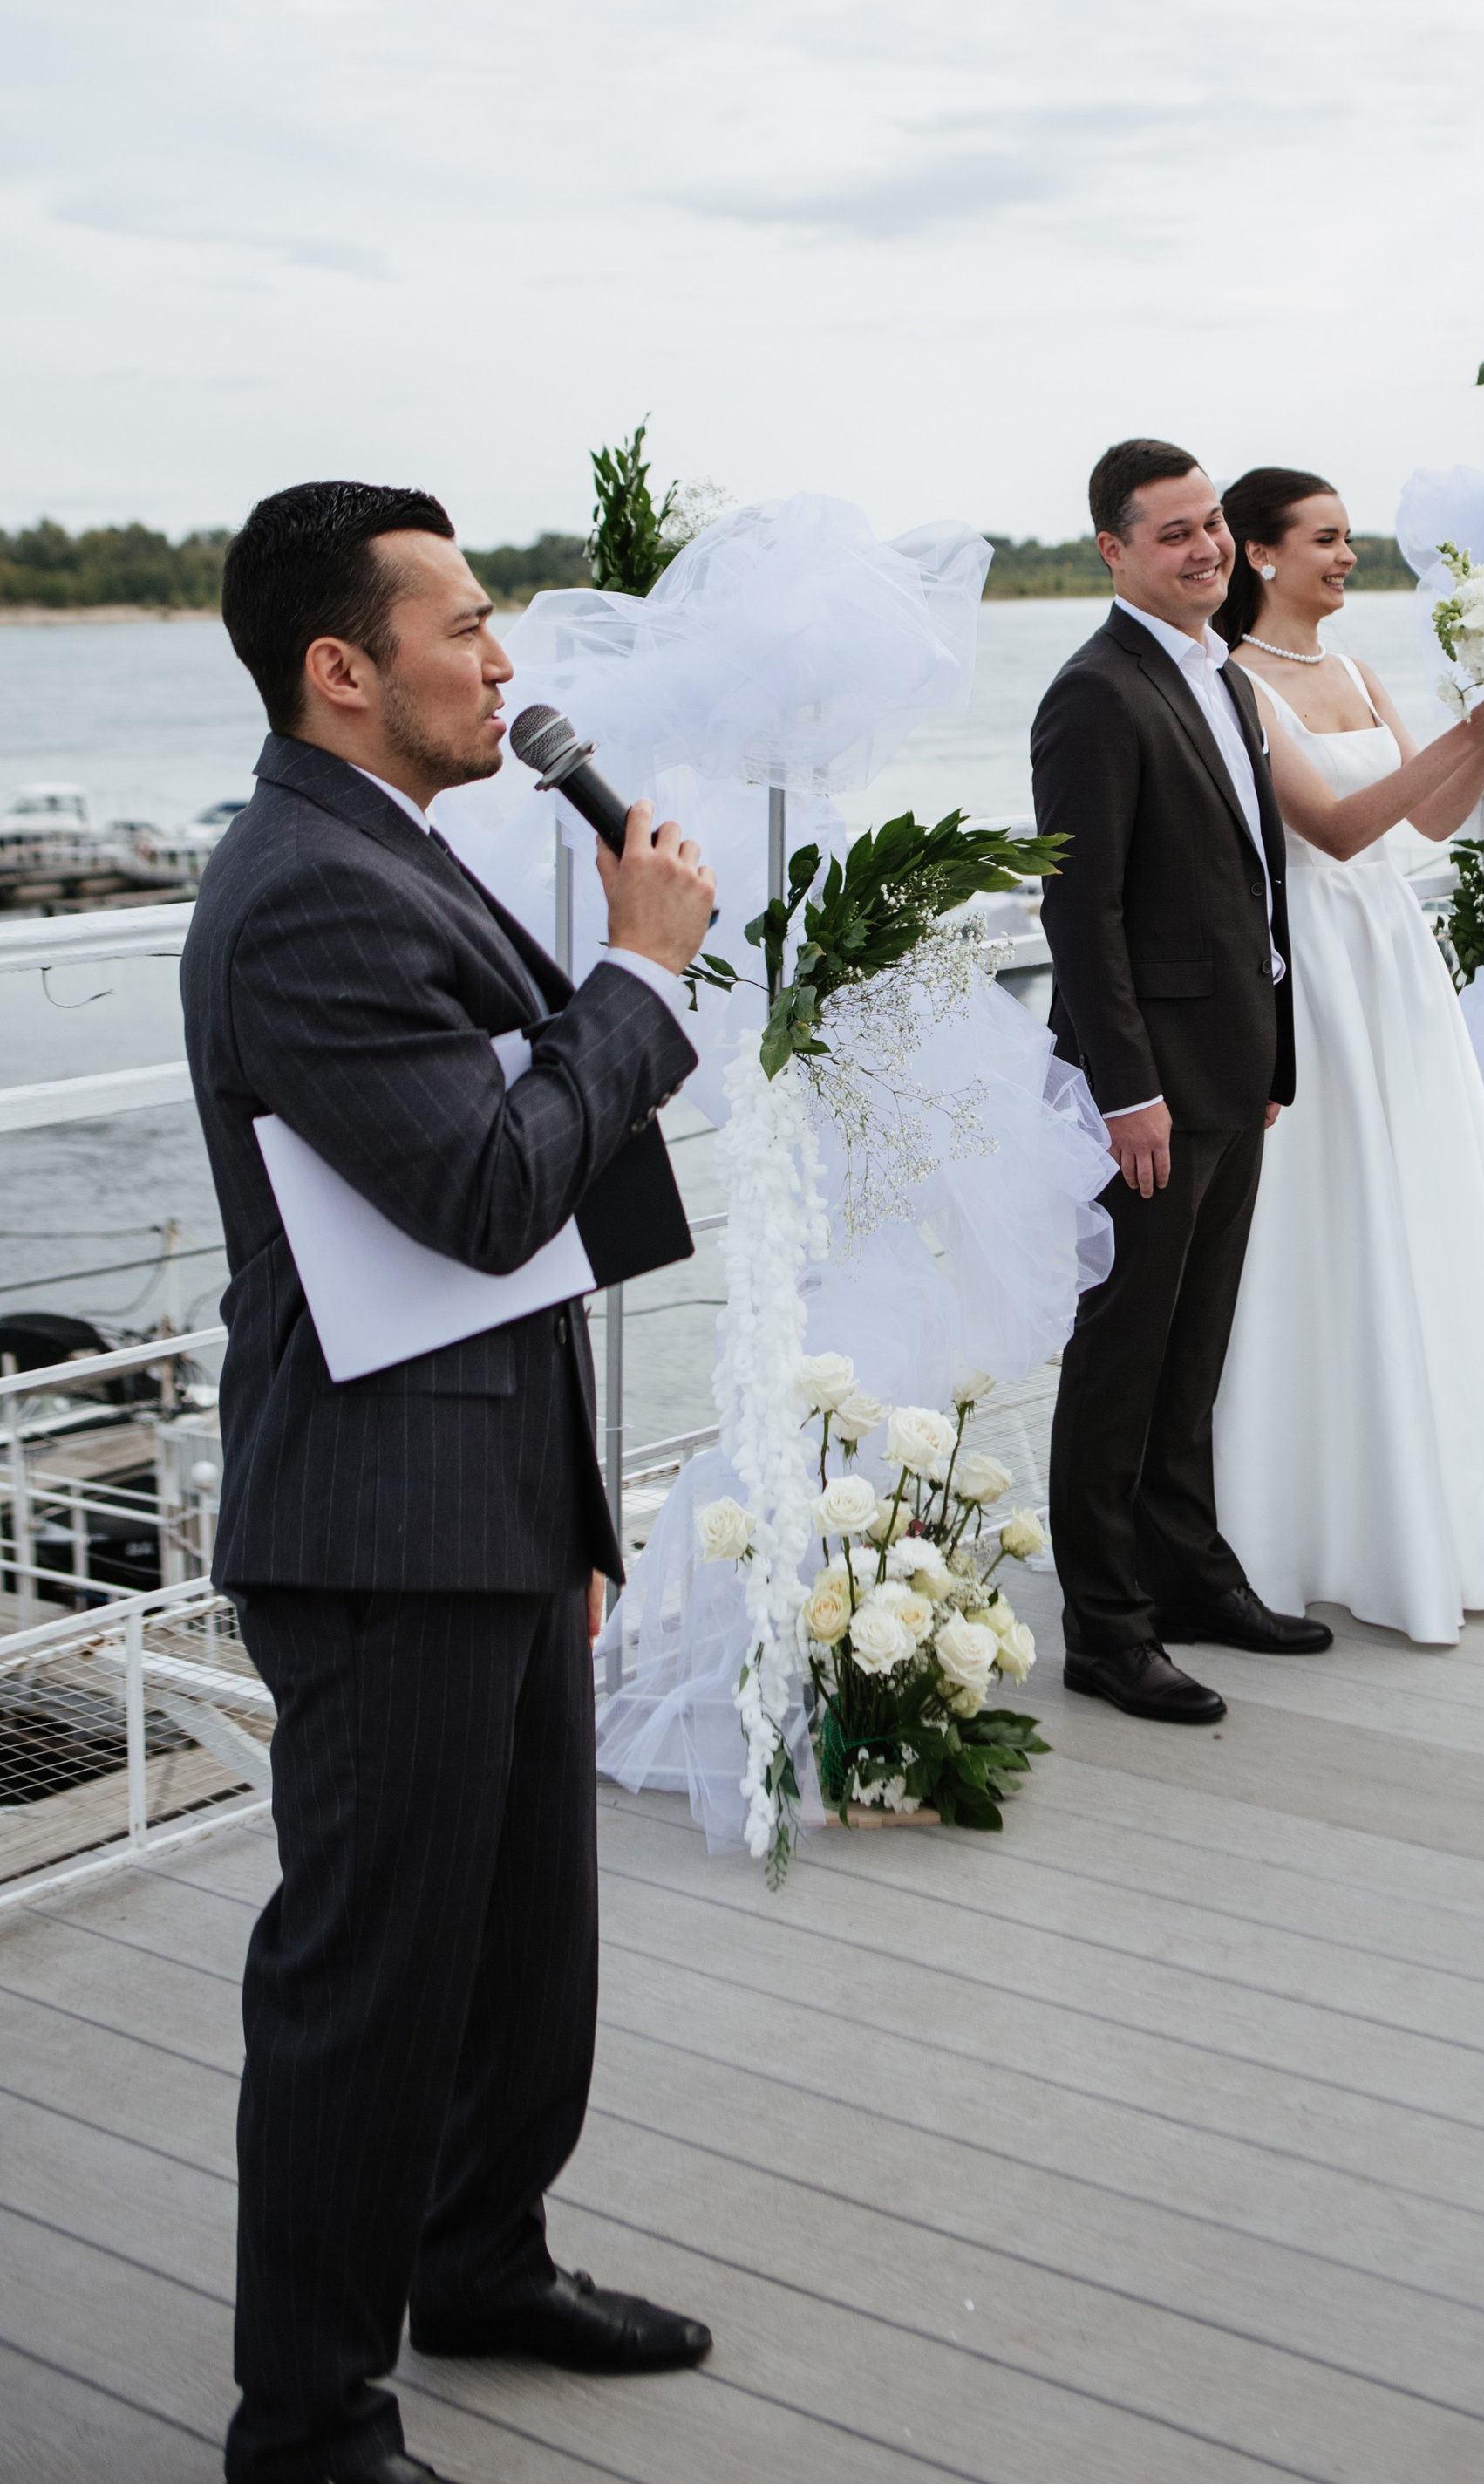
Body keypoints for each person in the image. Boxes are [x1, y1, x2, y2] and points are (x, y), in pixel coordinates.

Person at [182, 481, 718, 2484]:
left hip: (488, 1482)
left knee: (523, 1958)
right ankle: (304, 2424)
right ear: (344, 669)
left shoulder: (392, 845)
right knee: (366, 1987)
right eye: (467, 627)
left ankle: (477, 2259)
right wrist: (641, 985)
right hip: (379, 1519)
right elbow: (489, 1192)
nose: (506, 661)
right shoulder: (304, 887)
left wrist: (570, 1514)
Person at [1030, 440, 1484, 1723]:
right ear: (1114, 551)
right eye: (1173, 533)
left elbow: (1257, 888)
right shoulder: (1095, 693)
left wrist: (1276, 1055)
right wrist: (1124, 1091)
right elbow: (1080, 915)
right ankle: (1107, 1625)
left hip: (1240, 1063)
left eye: (1209, 525)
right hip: (1151, 1087)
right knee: (1123, 1353)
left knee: (1196, 1349)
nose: (1200, 548)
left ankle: (1194, 1572)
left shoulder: (1214, 674)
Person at [1210, 467, 1484, 1643]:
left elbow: (1428, 819)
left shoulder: (1352, 670)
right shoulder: (1237, 682)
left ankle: (1452, 1493)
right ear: (1262, 555)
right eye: (1326, 539)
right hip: (1319, 968)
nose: (1347, 556)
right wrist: (1469, 728)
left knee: (1426, 1206)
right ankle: (1309, 1519)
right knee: (1335, 1217)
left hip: (1395, 957)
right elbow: (1330, 829)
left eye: (1347, 538)